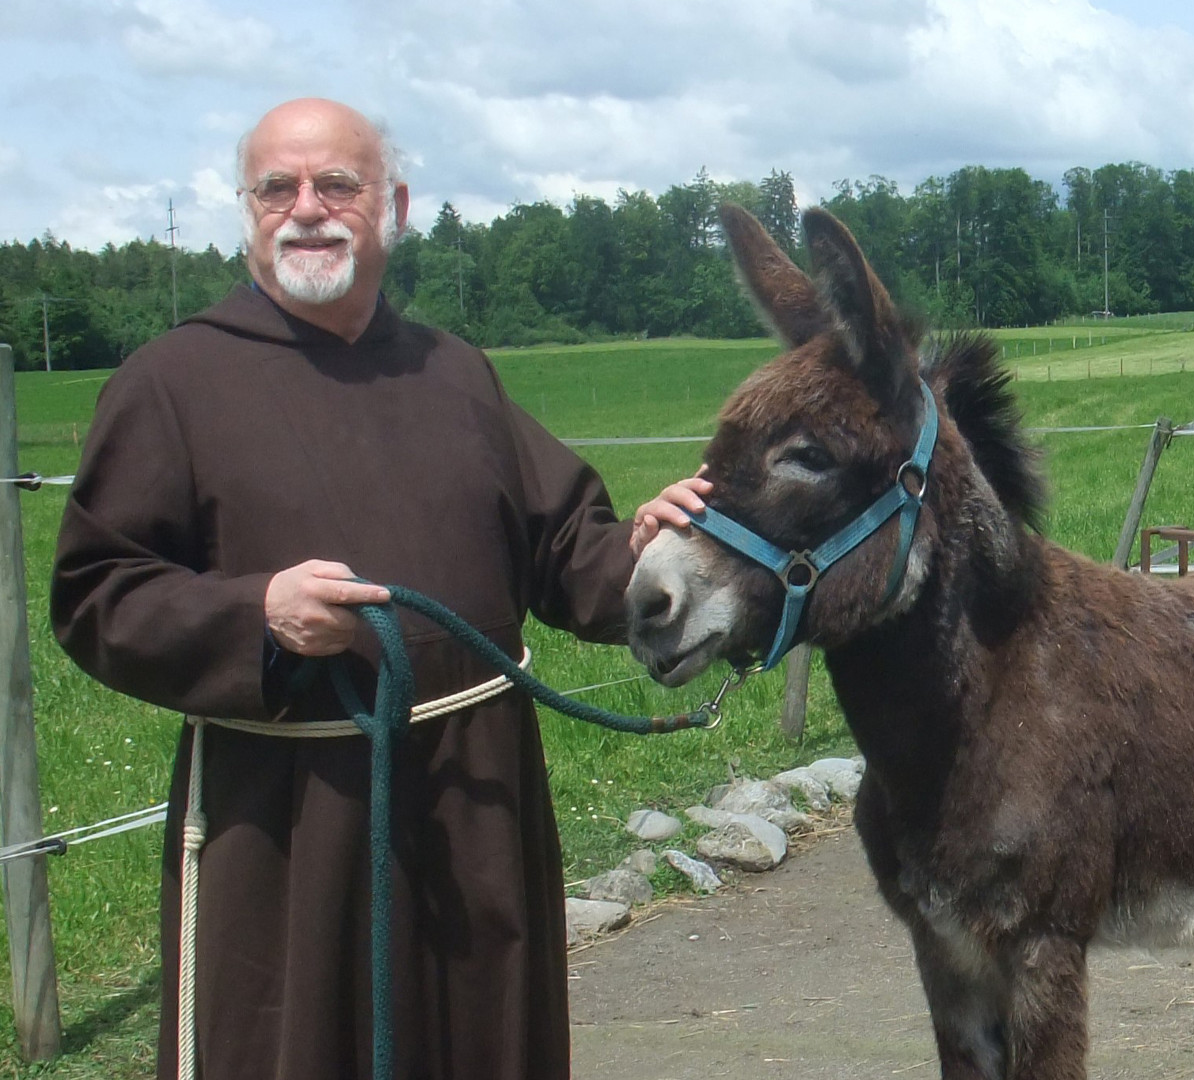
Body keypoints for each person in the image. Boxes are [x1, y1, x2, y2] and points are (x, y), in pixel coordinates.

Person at [50, 98, 708, 1080]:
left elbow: (566, 550)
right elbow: (98, 592)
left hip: (473, 801)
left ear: (391, 205)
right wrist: (256, 616)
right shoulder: (172, 382)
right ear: (248, 209)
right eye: (278, 187)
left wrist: (651, 553)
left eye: (336, 185)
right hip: (294, 819)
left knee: (480, 1044)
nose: (306, 208)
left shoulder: (455, 374)